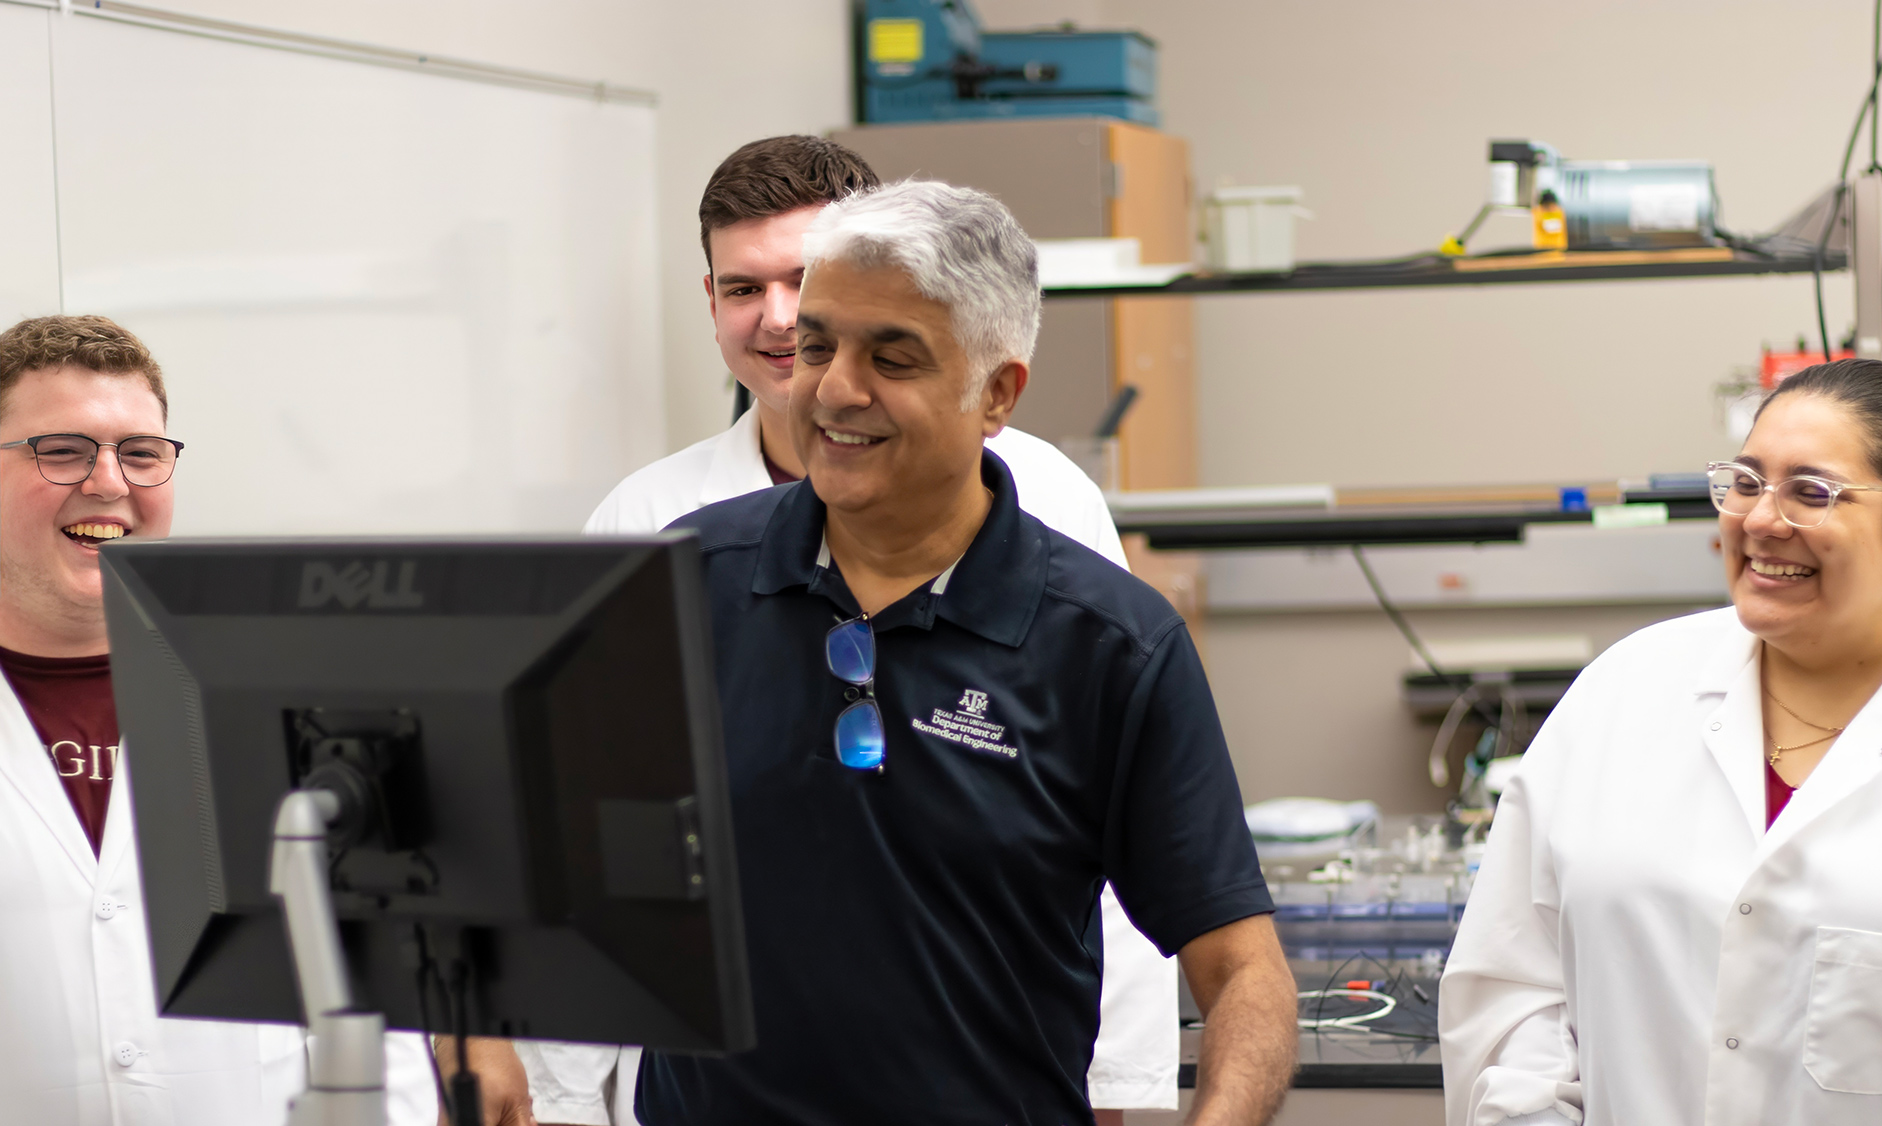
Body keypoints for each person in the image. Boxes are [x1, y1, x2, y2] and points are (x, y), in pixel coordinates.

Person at [516, 135, 1177, 1125]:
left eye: (805, 281)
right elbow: (586, 852)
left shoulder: (1040, 497)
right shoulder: (645, 529)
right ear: (708, 304)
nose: (779, 319)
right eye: (743, 288)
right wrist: (563, 1101)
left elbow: (1111, 836)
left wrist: (1113, 1086)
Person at [1440, 358, 1882, 1126]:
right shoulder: (1624, 693)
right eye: (1745, 482)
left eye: (1812, 492)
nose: (1762, 520)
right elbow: (1514, 986)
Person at [0, 315, 434, 1125]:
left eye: (141, 452)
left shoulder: (288, 706)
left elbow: (375, 1011)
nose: (108, 482)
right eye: (60, 450)